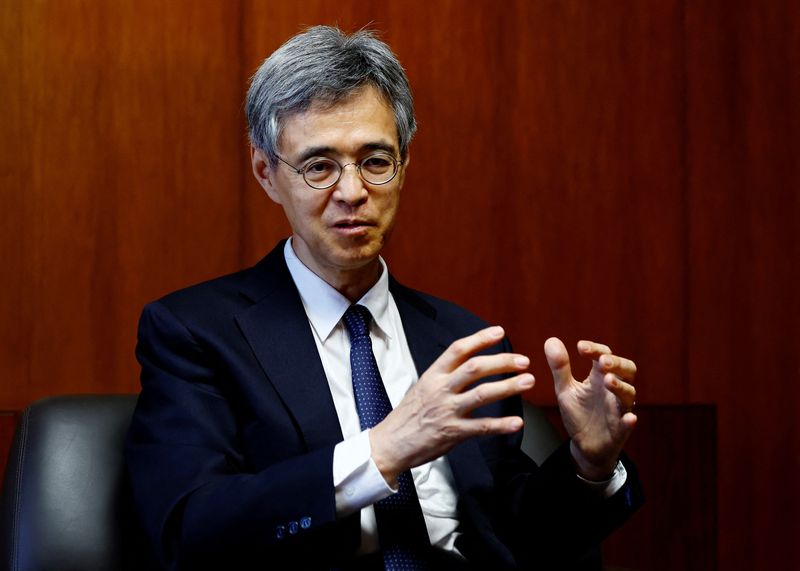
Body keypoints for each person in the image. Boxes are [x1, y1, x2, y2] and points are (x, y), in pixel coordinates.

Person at [125, 26, 643, 571]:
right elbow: (191, 530)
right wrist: (383, 452)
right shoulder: (194, 333)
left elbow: (522, 538)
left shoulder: (463, 341)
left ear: (404, 164)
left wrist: (588, 463)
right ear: (267, 174)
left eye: (375, 161)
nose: (351, 193)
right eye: (319, 166)